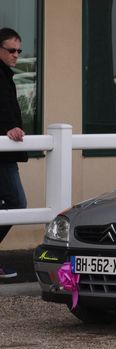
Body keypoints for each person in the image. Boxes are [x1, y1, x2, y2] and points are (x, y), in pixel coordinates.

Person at [0, 27, 27, 279]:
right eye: (11, 50)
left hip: (6, 154)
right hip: (3, 157)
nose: (16, 55)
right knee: (18, 202)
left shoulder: (7, 76)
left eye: (19, 50)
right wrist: (8, 128)